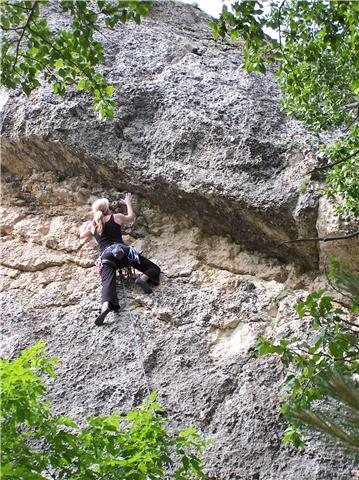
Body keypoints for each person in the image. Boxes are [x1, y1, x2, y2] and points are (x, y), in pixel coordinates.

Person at [79, 193, 160, 326]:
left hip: (106, 257)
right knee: (153, 268)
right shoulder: (116, 217)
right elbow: (131, 218)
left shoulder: (93, 225)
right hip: (124, 252)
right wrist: (128, 202)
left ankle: (106, 306)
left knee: (107, 283)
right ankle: (142, 279)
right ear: (107, 208)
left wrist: (85, 225)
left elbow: (82, 236)